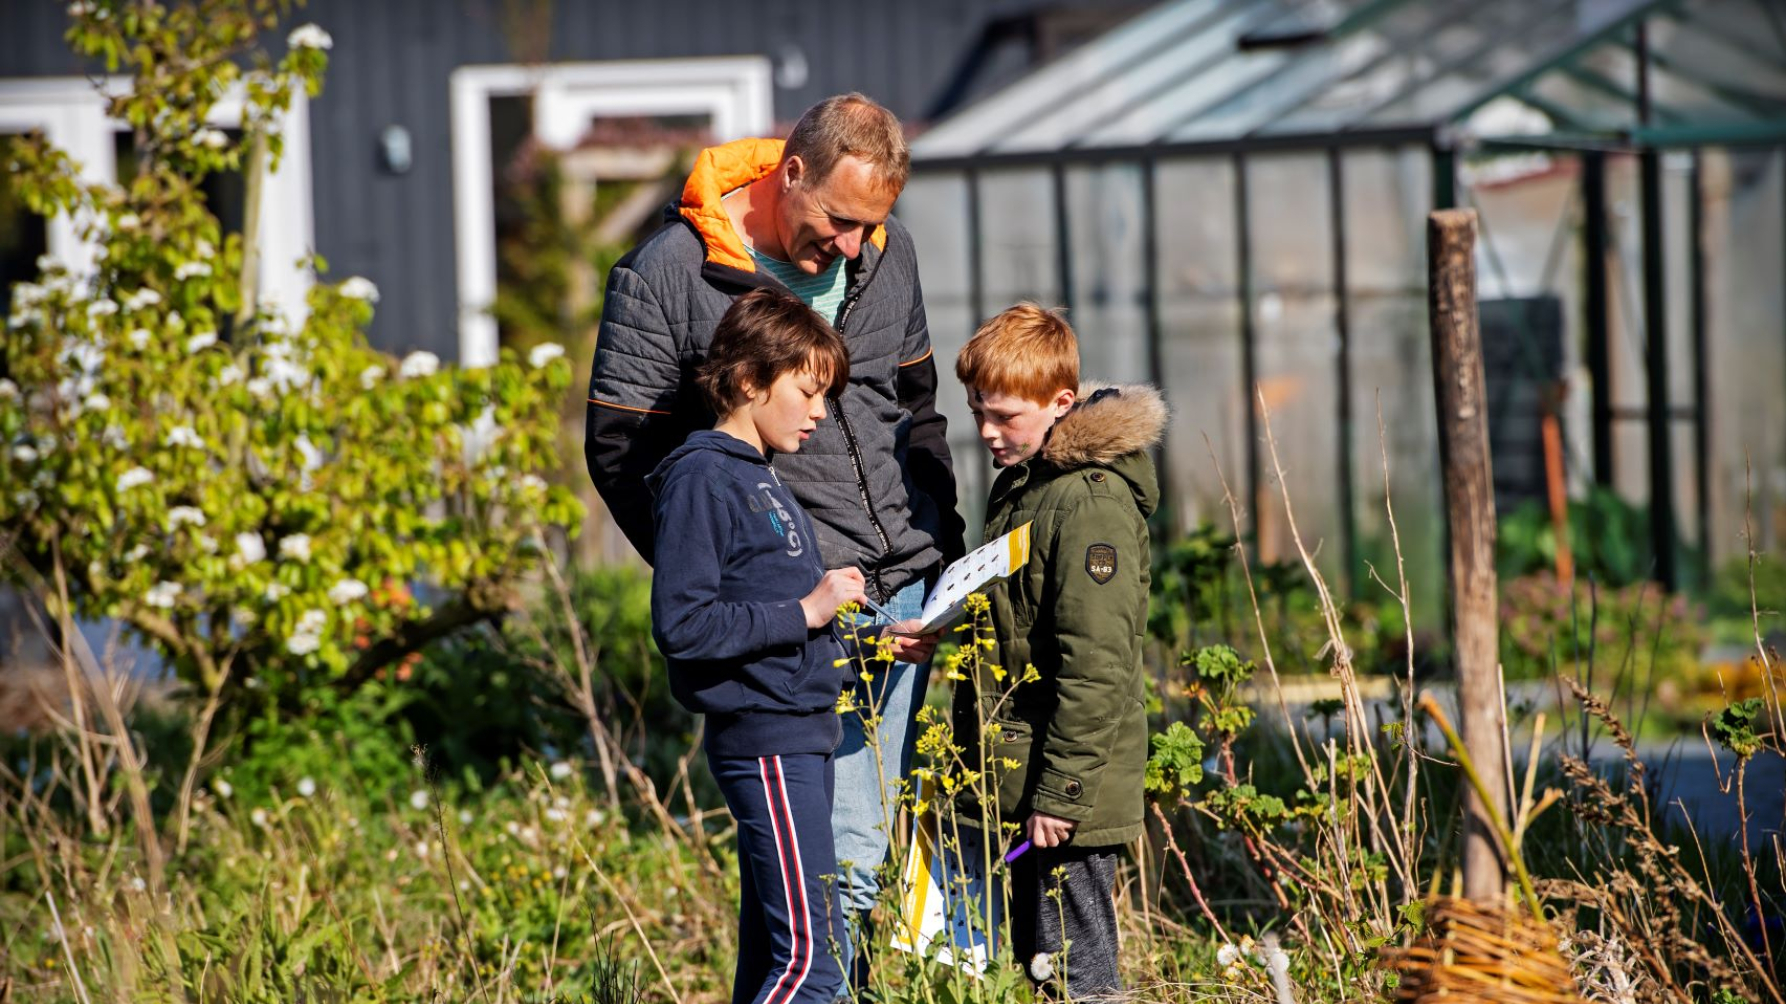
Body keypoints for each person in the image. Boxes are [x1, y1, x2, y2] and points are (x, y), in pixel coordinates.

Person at [586, 92, 964, 984]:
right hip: (795, 619)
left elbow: (915, 410)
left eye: (871, 227)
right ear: (790, 172)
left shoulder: (885, 255)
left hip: (901, 594)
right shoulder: (669, 275)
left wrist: (936, 549)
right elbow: (623, 453)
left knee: (820, 878)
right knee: (831, 876)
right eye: (837, 219)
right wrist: (738, 587)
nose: (851, 246)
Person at [648, 288, 865, 1004]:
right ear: (748, 382)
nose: (820, 411)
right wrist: (807, 609)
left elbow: (772, 615)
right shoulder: (702, 477)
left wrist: (868, 643)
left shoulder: (762, 478)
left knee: (771, 959)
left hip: (804, 735)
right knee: (813, 967)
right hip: (765, 740)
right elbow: (685, 624)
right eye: (807, 391)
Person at [949, 304, 1162, 1002]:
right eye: (979, 411)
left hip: (1068, 788)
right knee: (1042, 968)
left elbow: (1097, 665)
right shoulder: (1032, 487)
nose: (986, 432)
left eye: (1004, 416)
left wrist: (1062, 794)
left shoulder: (1088, 504)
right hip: (1032, 773)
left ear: (1061, 402)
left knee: (1080, 978)